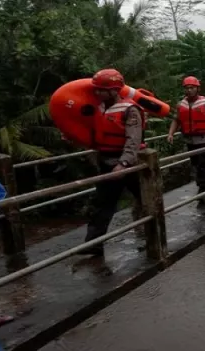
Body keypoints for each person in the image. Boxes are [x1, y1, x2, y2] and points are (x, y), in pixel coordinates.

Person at [78, 69, 144, 257]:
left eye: (101, 90)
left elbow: (133, 140)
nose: (97, 93)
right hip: (106, 162)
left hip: (130, 164)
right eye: (96, 89)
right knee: (102, 204)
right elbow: (93, 134)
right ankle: (93, 244)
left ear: (114, 90)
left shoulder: (130, 110)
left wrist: (123, 164)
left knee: (145, 199)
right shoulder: (98, 109)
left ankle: (154, 232)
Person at [167, 76, 205, 204]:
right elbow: (176, 120)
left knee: (202, 164)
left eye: (192, 88)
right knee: (196, 164)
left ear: (197, 89)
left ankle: (202, 189)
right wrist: (170, 134)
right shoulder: (181, 105)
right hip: (190, 139)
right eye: (187, 88)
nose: (189, 90)